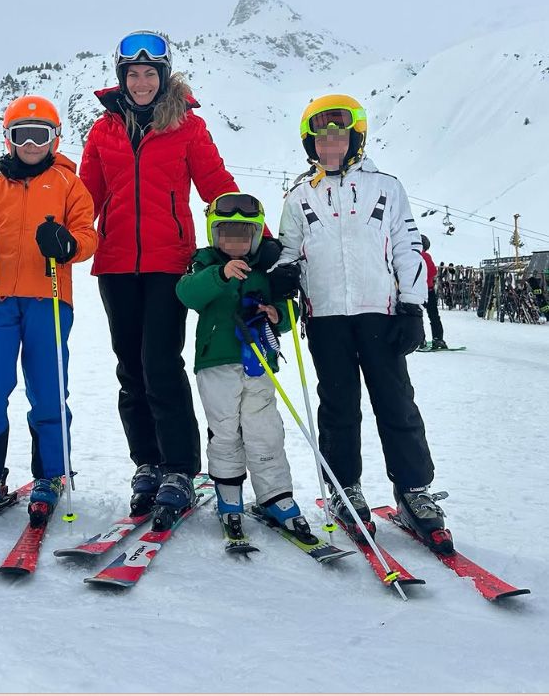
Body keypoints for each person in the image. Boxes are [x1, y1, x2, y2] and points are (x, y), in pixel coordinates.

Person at [274, 94, 452, 553]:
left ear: (356, 137)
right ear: (309, 142)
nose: (330, 141)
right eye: (321, 135)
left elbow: (407, 247)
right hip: (327, 317)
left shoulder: (386, 187)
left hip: (381, 313)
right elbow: (288, 252)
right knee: (338, 406)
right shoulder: (298, 196)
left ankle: (414, 490)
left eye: (339, 133)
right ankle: (344, 488)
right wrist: (285, 275)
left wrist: (412, 306)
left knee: (396, 403)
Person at [79, 30, 239, 525]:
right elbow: (85, 199)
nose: (142, 81)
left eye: (150, 73)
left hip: (169, 264)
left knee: (160, 364)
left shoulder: (188, 128)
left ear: (163, 77)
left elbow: (218, 187)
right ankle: (146, 464)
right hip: (116, 265)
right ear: (121, 79)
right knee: (130, 368)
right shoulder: (103, 131)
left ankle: (179, 468)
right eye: (133, 74)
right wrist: (56, 230)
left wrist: (255, 235)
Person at [0, 95, 96, 530]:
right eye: (22, 135)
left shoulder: (70, 184)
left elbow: (88, 236)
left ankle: (51, 473)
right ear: (9, 139)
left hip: (48, 299)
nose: (31, 144)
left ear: (55, 139)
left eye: (40, 135)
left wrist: (68, 243)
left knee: (48, 388)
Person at [176, 192, 316, 543]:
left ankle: (276, 495)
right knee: (225, 429)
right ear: (214, 233)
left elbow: (289, 311)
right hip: (217, 362)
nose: (235, 243)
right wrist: (219, 275)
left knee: (263, 429)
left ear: (255, 236)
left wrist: (278, 314)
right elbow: (187, 294)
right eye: (226, 234)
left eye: (244, 235)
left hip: (259, 362)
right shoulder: (204, 262)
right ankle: (228, 493)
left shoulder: (266, 267)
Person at [419, 234, 447, 350]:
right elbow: (433, 271)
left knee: (417, 316)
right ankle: (438, 339)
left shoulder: (410, 255)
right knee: (434, 316)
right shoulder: (425, 256)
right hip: (428, 290)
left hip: (416, 291)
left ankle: (420, 340)